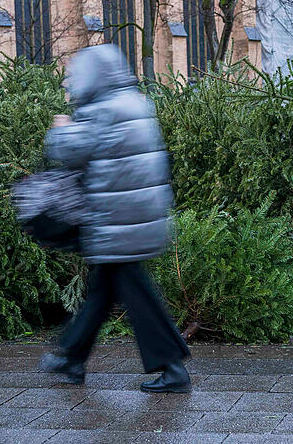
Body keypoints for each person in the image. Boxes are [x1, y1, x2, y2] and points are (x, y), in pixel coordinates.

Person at [38, 44, 191, 394]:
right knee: (103, 289)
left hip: (116, 221)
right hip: (137, 215)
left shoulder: (102, 110)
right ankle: (72, 358)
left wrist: (60, 127)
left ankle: (172, 368)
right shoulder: (135, 101)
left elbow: (70, 151)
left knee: (135, 292)